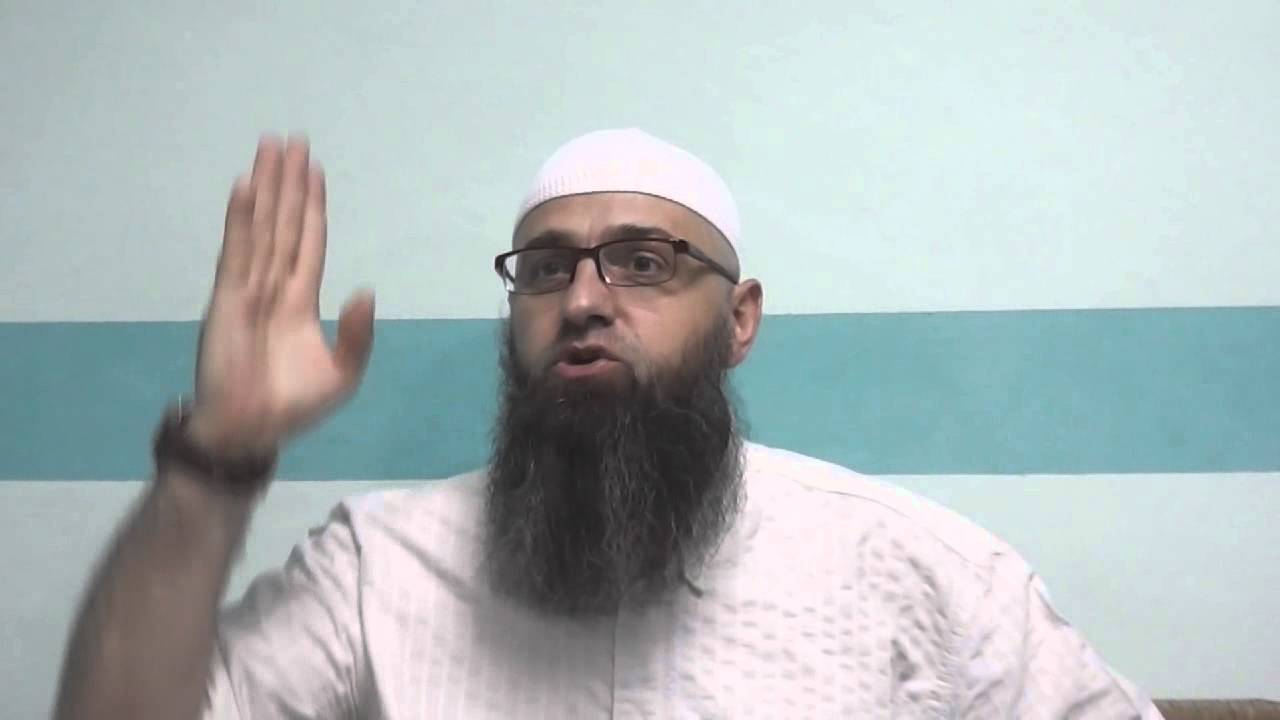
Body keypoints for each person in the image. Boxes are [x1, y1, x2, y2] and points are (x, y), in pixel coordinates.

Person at [54, 129, 1164, 719]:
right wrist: (216, 456)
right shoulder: (374, 571)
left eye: (643, 262)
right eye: (546, 269)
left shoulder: (921, 574)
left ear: (738, 320)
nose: (582, 299)